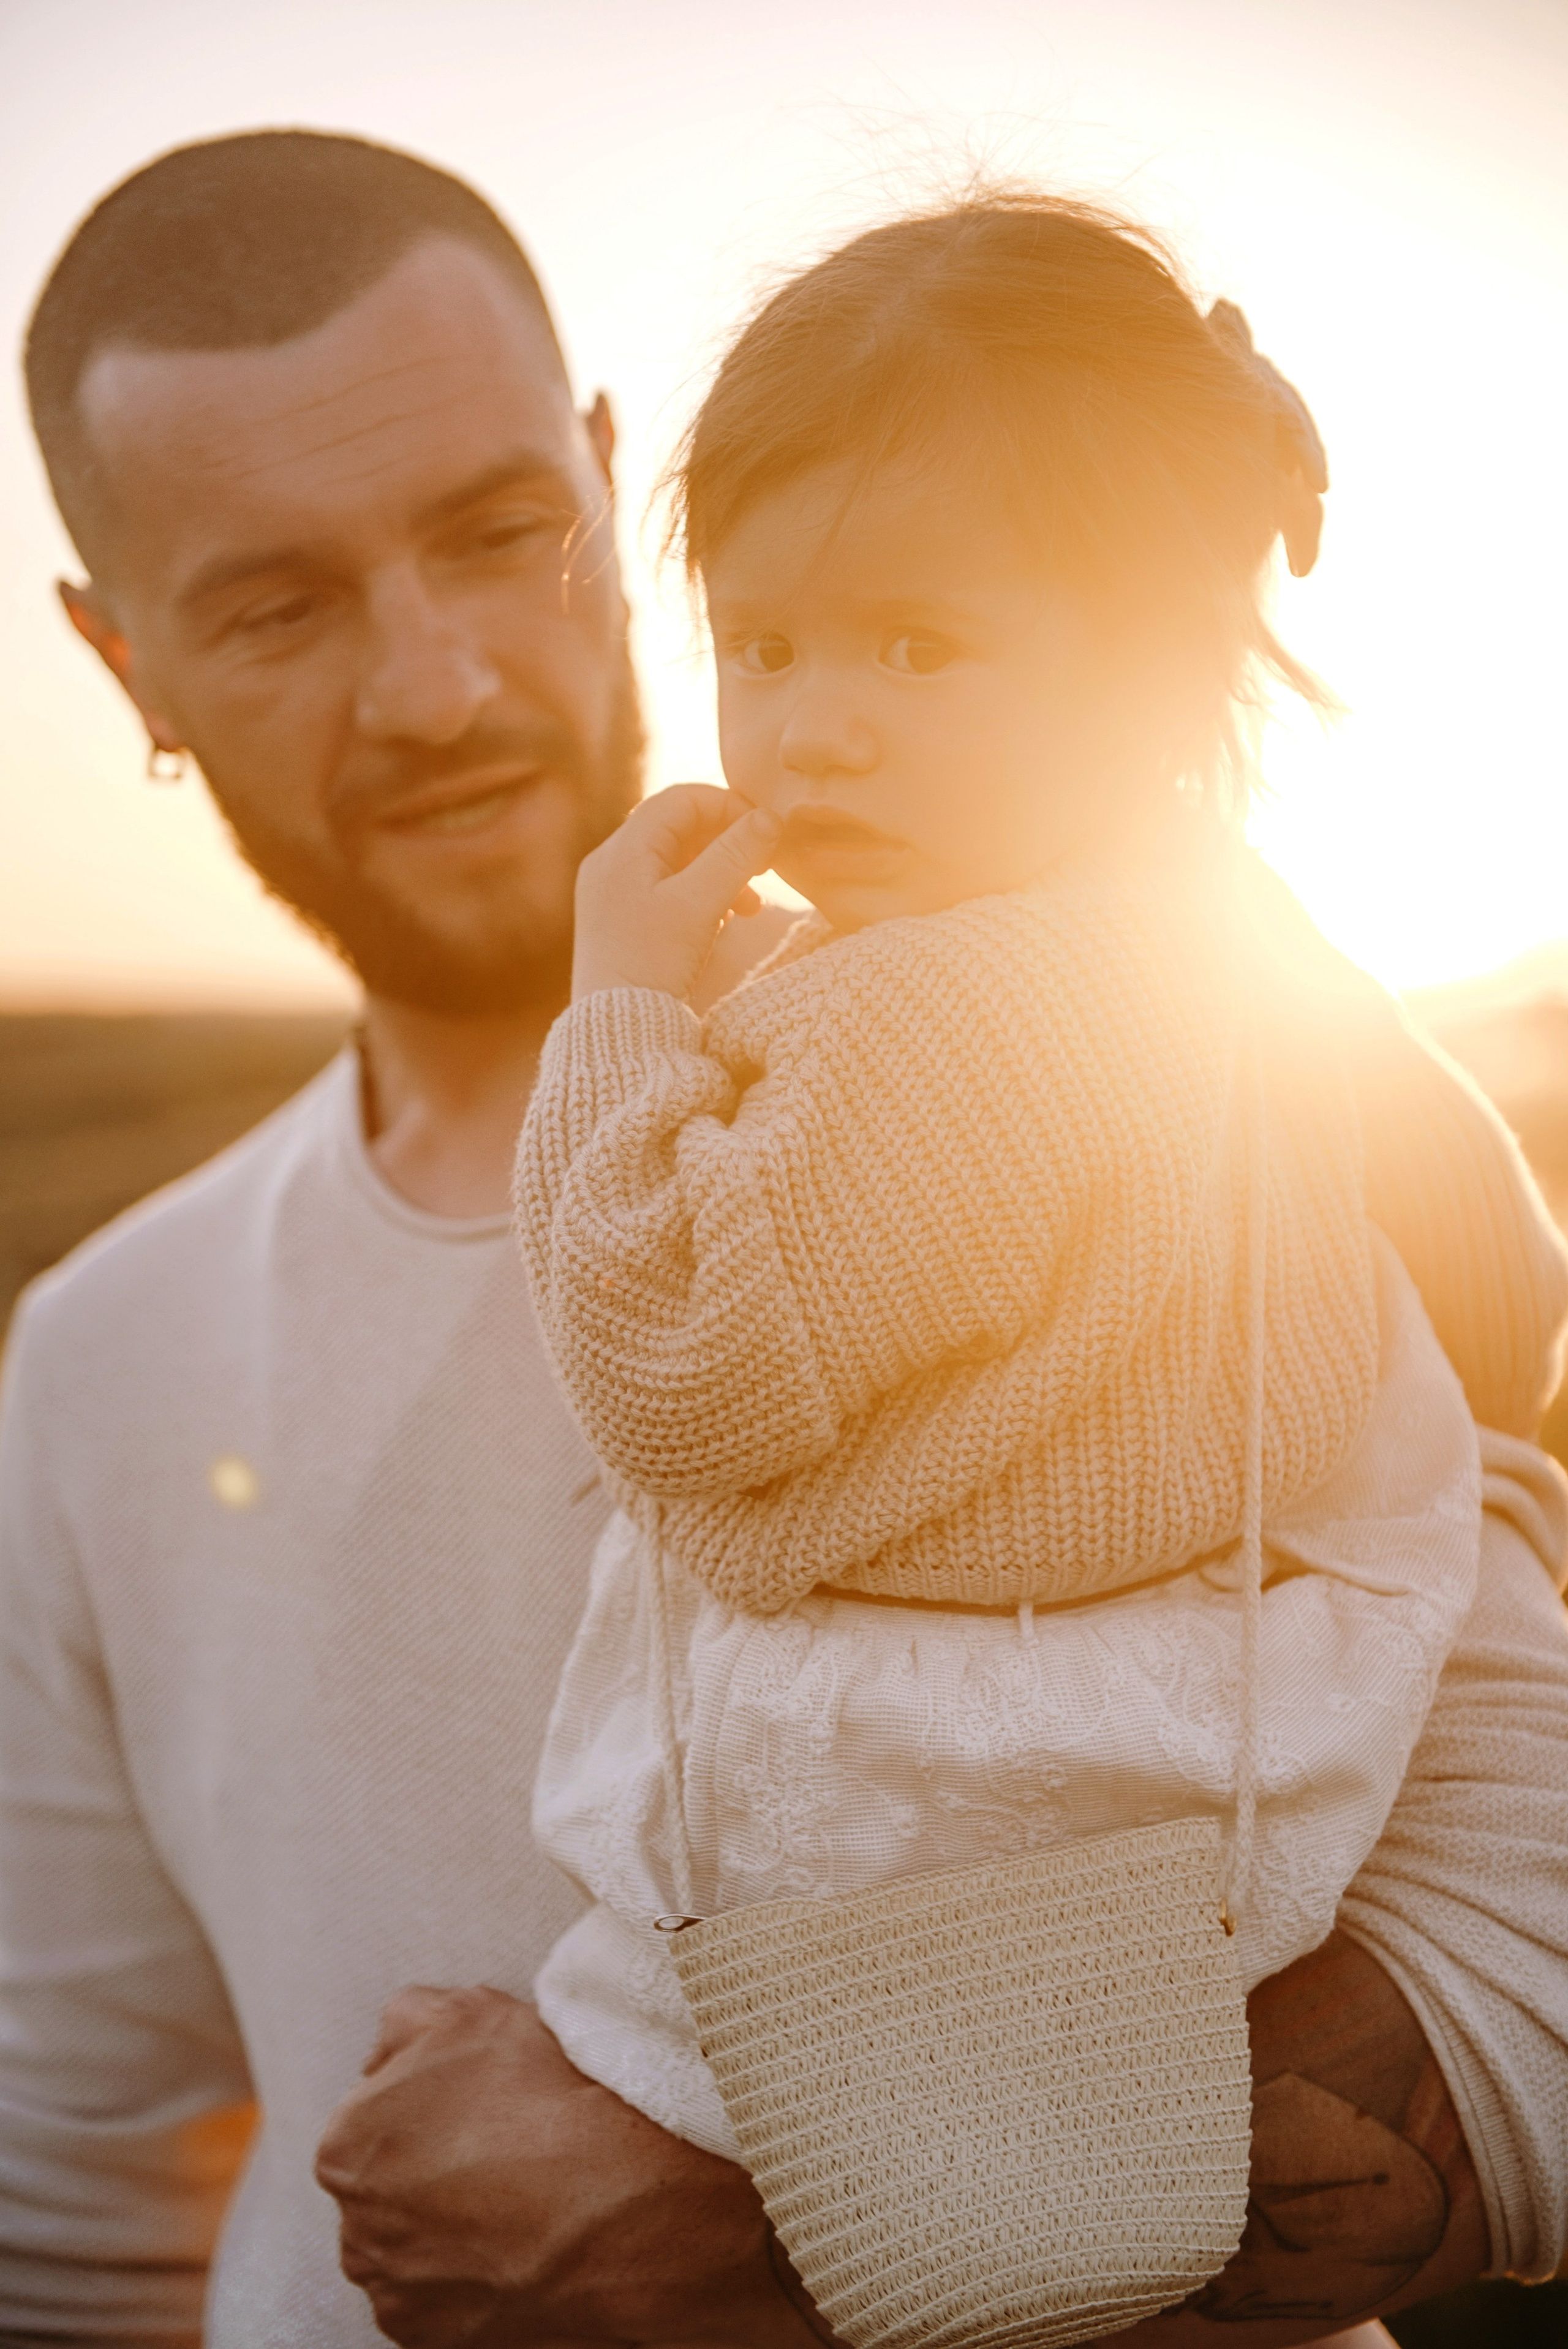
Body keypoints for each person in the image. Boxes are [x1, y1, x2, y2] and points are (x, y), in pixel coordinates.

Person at [0, 129, 1559, 2349]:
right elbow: (76, 2206)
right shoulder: (97, 1353)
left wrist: (761, 2221)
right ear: (120, 656)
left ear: (602, 476)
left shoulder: (1224, 1056)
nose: (436, 684)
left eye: (500, 533)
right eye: (276, 605)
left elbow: (1512, 1844)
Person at [508, 194, 1568, 2331]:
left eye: (917, 645)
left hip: (937, 1900)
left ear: (1158, 664)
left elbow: (682, 1362)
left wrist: (615, 1010)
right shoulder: (1204, 984)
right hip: (1170, 1861)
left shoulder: (959, 1010)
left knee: (550, 2109)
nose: (816, 727)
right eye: (765, 642)